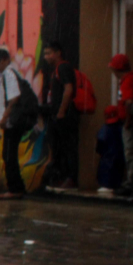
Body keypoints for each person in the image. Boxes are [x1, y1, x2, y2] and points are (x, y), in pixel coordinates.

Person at [0, 48, 30, 200]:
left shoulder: (8, 73)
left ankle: (15, 189)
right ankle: (16, 187)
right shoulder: (9, 74)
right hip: (12, 121)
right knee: (9, 154)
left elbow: (14, 98)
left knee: (8, 154)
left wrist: (3, 119)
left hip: (12, 122)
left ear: (6, 60)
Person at [40, 41, 79, 189]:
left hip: (64, 115)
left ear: (58, 53)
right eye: (44, 54)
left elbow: (68, 89)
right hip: (56, 115)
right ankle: (60, 176)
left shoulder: (63, 68)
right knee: (58, 147)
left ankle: (70, 178)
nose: (46, 57)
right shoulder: (56, 70)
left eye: (49, 53)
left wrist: (61, 111)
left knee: (67, 147)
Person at [110, 53, 133, 190]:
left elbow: (128, 102)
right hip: (128, 121)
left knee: (129, 151)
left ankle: (131, 181)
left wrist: (127, 121)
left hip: (128, 123)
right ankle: (131, 179)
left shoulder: (127, 81)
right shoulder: (130, 79)